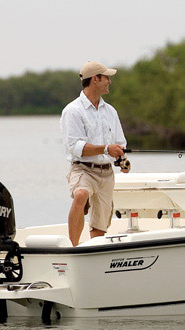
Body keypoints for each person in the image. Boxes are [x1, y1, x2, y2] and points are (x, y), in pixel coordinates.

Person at [60, 61, 129, 246]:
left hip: (106, 173)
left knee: (99, 226)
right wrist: (106, 148)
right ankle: (72, 247)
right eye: (106, 78)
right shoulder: (73, 111)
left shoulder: (111, 111)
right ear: (95, 79)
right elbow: (75, 147)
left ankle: (93, 252)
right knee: (81, 194)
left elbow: (120, 144)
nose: (109, 82)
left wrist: (122, 159)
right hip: (83, 169)